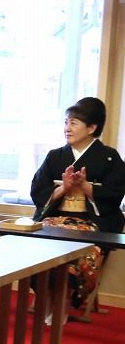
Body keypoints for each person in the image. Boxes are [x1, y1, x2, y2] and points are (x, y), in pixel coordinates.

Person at [31, 96, 125, 309]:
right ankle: (50, 298)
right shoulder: (55, 156)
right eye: (65, 122)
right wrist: (63, 188)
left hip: (92, 222)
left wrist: (85, 187)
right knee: (32, 243)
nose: (67, 128)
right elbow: (37, 190)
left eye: (73, 123)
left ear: (92, 128)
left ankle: (64, 300)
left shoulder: (109, 158)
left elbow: (115, 194)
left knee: (80, 249)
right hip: (55, 218)